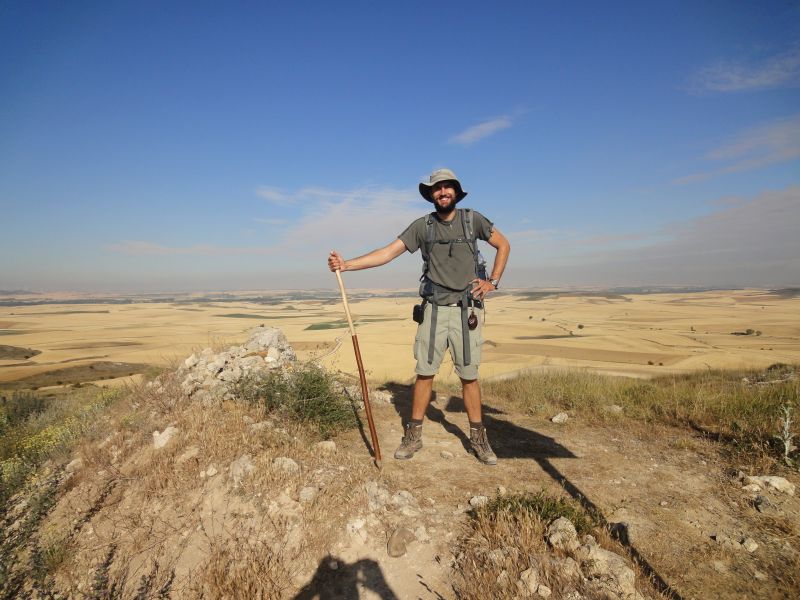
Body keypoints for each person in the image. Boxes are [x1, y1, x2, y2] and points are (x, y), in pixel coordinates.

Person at [327, 168, 510, 465]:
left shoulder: (472, 219)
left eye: (447, 187)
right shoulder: (422, 226)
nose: (442, 192)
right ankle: (413, 435)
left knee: (469, 376)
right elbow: (387, 253)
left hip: (467, 310)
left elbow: (504, 244)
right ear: (431, 195)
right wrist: (347, 265)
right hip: (434, 310)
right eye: (437, 189)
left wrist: (494, 281)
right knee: (425, 373)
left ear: (455, 191)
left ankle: (478, 438)